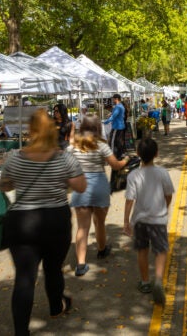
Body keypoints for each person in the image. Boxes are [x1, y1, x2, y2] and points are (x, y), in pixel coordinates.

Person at [0, 109, 87, 335]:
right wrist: (61, 178)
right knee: (53, 268)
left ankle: (21, 331)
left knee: (25, 277)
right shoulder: (65, 157)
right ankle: (56, 306)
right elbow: (81, 186)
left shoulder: (15, 157)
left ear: (31, 131)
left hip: (21, 221)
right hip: (55, 218)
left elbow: (4, 185)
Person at [68, 115, 131, 276]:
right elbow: (115, 165)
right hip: (99, 187)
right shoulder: (101, 145)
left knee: (82, 227)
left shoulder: (74, 146)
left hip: (80, 187)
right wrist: (126, 160)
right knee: (99, 223)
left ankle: (81, 264)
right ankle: (102, 249)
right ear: (97, 128)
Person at [123, 138, 174, 305]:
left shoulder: (133, 175)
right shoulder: (162, 173)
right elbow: (168, 194)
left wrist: (126, 221)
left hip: (140, 220)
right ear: (156, 154)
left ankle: (145, 282)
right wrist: (164, 207)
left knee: (142, 250)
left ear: (137, 154)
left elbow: (130, 200)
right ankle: (158, 279)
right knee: (160, 250)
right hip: (158, 219)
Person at [103, 94, 127, 160]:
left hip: (117, 126)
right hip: (120, 126)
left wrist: (105, 122)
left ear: (116, 99)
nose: (112, 100)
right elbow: (116, 115)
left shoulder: (118, 107)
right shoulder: (121, 106)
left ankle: (113, 157)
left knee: (112, 142)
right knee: (118, 141)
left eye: (113, 99)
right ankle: (120, 154)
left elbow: (113, 117)